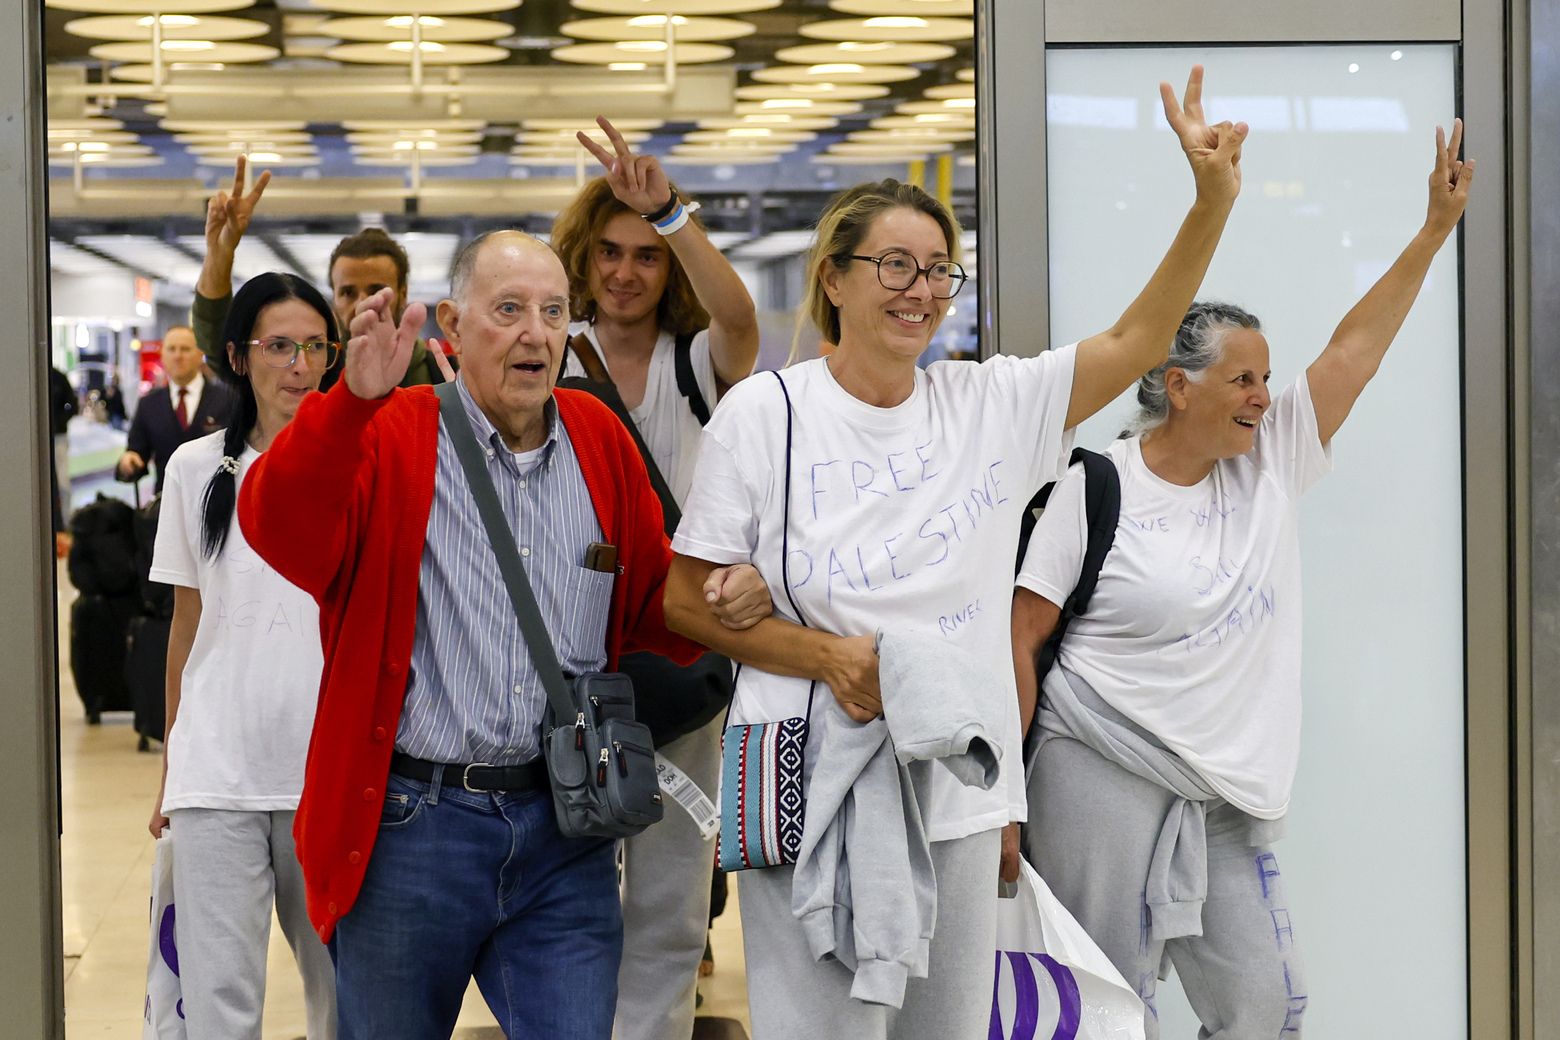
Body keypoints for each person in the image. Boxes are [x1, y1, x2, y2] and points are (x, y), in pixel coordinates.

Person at [661, 66, 1246, 1038]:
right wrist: (827, 656)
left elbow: (1140, 337)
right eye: (895, 265)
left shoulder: (991, 404)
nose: (922, 291)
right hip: (807, 780)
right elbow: (684, 601)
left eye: (939, 270)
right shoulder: (766, 413)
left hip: (960, 789)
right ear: (835, 278)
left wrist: (1211, 200)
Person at [235, 230, 774, 1040]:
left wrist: (730, 594)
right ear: (453, 324)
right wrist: (348, 405)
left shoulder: (597, 437)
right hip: (412, 829)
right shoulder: (392, 431)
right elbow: (277, 528)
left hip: (564, 830)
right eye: (510, 309)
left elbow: (651, 600)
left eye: (554, 312)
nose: (536, 333)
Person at [1011, 122, 1474, 1039]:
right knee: (1105, 1009)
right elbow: (1020, 640)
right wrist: (1004, 804)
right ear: (1179, 385)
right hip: (1098, 769)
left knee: (1264, 1003)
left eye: (1267, 377)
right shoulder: (1093, 486)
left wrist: (1432, 232)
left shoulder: (1269, 464)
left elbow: (1352, 354)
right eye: (1243, 379)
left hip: (1224, 794)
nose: (1265, 396)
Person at [552, 116, 760, 1040]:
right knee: (570, 883)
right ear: (583, 257)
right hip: (568, 650)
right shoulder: (551, 353)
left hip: (680, 649)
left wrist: (672, 213)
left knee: (673, 891)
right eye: (610, 252)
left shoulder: (692, 363)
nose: (627, 272)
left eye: (646, 255)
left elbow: (740, 320)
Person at [146, 272, 343, 1039]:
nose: (299, 365)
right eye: (279, 346)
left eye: (315, 347)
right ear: (237, 356)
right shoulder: (195, 469)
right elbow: (186, 627)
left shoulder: (359, 464)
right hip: (216, 779)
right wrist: (173, 765)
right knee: (219, 1007)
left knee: (346, 1003)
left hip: (327, 778)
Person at [192, 156, 452, 389]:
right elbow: (220, 350)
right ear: (333, 297)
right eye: (348, 293)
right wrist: (219, 254)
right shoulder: (309, 372)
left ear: (403, 294)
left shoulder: (442, 376)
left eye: (377, 291)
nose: (362, 304)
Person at [117, 325, 236, 493]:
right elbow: (136, 452)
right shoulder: (148, 404)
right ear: (162, 355)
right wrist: (128, 462)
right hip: (165, 500)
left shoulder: (229, 400)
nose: (178, 356)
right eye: (171, 349)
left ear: (200, 354)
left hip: (216, 499)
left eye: (185, 349)